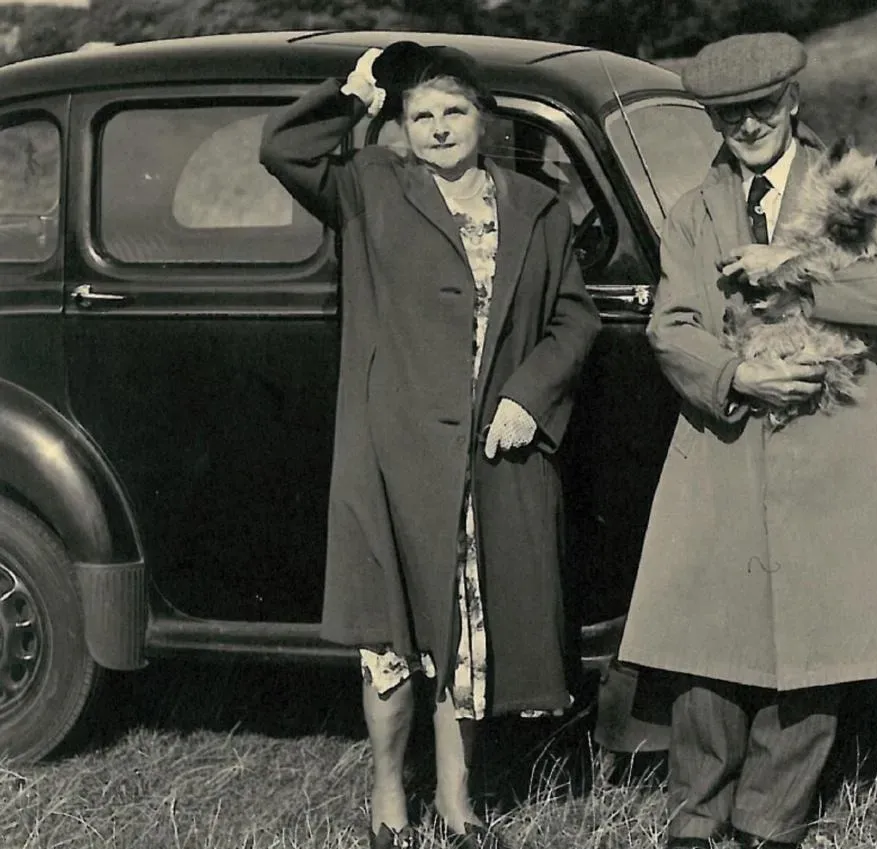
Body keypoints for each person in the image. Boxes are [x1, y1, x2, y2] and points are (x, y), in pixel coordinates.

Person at [259, 41, 601, 849]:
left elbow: (574, 318)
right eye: (422, 116)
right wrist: (359, 91)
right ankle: (388, 798)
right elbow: (282, 147)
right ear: (401, 127)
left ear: (484, 121)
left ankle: (457, 801)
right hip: (393, 455)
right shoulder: (370, 187)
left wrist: (530, 394)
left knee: (466, 633)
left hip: (490, 456)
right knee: (389, 638)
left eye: (455, 112)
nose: (440, 128)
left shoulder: (535, 207)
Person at [617, 32, 877, 849]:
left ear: (793, 100)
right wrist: (736, 377)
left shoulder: (850, 192)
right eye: (729, 113)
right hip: (726, 439)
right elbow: (672, 325)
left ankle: (768, 820)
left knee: (817, 643)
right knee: (705, 640)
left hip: (836, 447)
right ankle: (696, 818)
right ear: (714, 120)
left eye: (762, 106)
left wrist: (793, 267)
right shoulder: (695, 210)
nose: (748, 124)